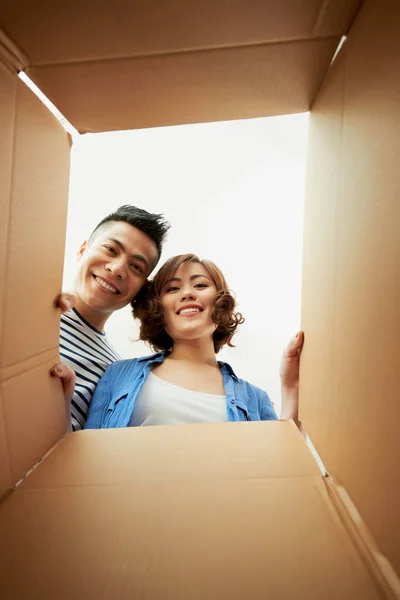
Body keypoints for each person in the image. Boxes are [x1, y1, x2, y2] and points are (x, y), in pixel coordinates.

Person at [85, 254, 303, 429]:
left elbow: (283, 462)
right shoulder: (118, 375)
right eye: (172, 288)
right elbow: (86, 455)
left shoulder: (255, 399)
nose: (188, 293)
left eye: (200, 285)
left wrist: (290, 386)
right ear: (158, 308)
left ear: (220, 302)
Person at [52, 205, 170, 430]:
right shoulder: (24, 306)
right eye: (110, 249)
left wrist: (62, 403)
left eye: (136, 266)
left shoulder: (114, 375)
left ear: (141, 288)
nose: (117, 269)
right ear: (82, 249)